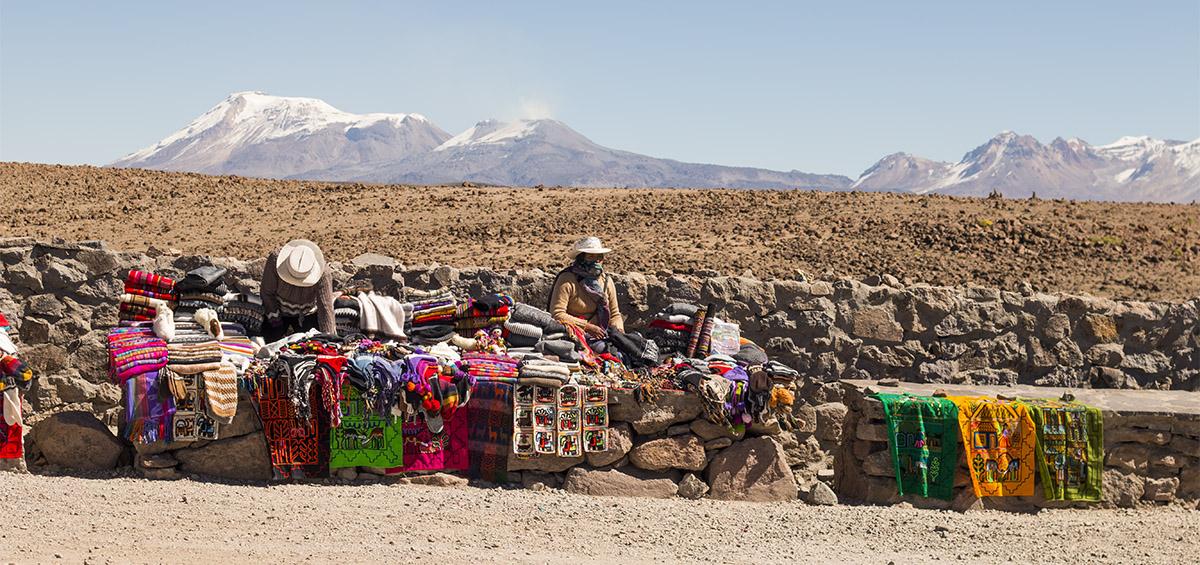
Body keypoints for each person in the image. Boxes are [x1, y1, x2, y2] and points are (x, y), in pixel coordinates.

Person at [261, 239, 336, 342]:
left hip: (306, 314)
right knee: (270, 342)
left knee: (311, 344)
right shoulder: (275, 261)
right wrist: (277, 323)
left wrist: (329, 339)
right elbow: (267, 293)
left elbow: (325, 308)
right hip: (278, 312)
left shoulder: (323, 273)